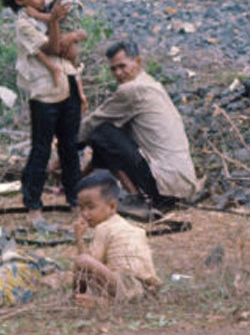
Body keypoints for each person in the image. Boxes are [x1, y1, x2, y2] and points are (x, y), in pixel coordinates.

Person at [0, 0, 82, 227]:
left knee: (70, 146)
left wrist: (70, 33)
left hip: (67, 82)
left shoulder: (46, 8)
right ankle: (33, 204)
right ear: (19, 0)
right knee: (41, 149)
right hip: (44, 93)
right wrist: (61, 26)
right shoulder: (24, 24)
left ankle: (75, 199)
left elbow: (70, 51)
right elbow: (54, 46)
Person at [80, 39, 197, 210]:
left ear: (138, 62)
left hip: (163, 184)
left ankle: (137, 199)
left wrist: (63, 151)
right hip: (180, 185)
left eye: (122, 66)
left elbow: (91, 124)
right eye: (113, 69)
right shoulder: (150, 83)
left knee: (101, 132)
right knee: (109, 137)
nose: (118, 73)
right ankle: (77, 183)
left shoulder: (131, 90)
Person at [72, 173, 160, 305]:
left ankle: (78, 297)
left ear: (112, 206)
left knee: (82, 260)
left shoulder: (104, 228)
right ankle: (103, 300)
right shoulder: (126, 225)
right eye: (82, 208)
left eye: (91, 207)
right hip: (146, 288)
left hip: (126, 284)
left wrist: (79, 238)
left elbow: (89, 263)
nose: (85, 214)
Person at [30, 0, 89, 111]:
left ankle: (73, 98)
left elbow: (53, 18)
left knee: (60, 66)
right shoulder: (58, 1)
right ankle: (79, 95)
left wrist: (36, 14)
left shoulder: (68, 1)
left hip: (66, 42)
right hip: (67, 42)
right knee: (73, 70)